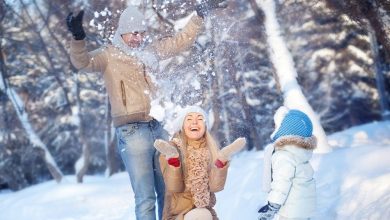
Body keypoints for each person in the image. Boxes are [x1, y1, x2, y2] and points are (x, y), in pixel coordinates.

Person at [66, 2, 226, 220]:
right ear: (122, 32)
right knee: (145, 197)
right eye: (133, 33)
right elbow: (82, 62)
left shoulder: (149, 52)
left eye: (141, 33)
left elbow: (180, 41)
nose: (137, 38)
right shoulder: (108, 55)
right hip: (132, 132)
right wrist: (78, 38)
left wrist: (198, 15)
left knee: (168, 191)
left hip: (156, 127)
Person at [153, 106, 246, 220]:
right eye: (189, 119)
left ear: (205, 126)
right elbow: (174, 186)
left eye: (200, 118)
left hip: (204, 211)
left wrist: (222, 159)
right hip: (178, 213)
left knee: (202, 213)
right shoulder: (171, 148)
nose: (195, 122)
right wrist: (173, 159)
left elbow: (215, 187)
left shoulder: (210, 150)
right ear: (182, 125)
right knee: (201, 215)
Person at [258, 106, 317, 220]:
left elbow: (282, 183)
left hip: (291, 211)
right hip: (305, 208)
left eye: (277, 126)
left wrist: (272, 206)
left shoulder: (284, 155)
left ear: (284, 130)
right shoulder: (301, 155)